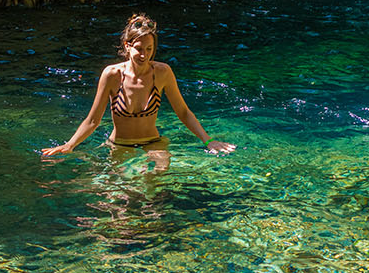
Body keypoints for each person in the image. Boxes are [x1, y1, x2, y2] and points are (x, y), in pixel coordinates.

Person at [42, 13, 235, 170]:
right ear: (127, 46)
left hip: (153, 143)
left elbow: (183, 112)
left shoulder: (162, 72)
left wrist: (207, 140)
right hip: (119, 145)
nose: (144, 55)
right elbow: (93, 120)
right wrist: (69, 145)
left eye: (149, 49)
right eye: (139, 49)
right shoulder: (111, 75)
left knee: (155, 183)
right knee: (116, 196)